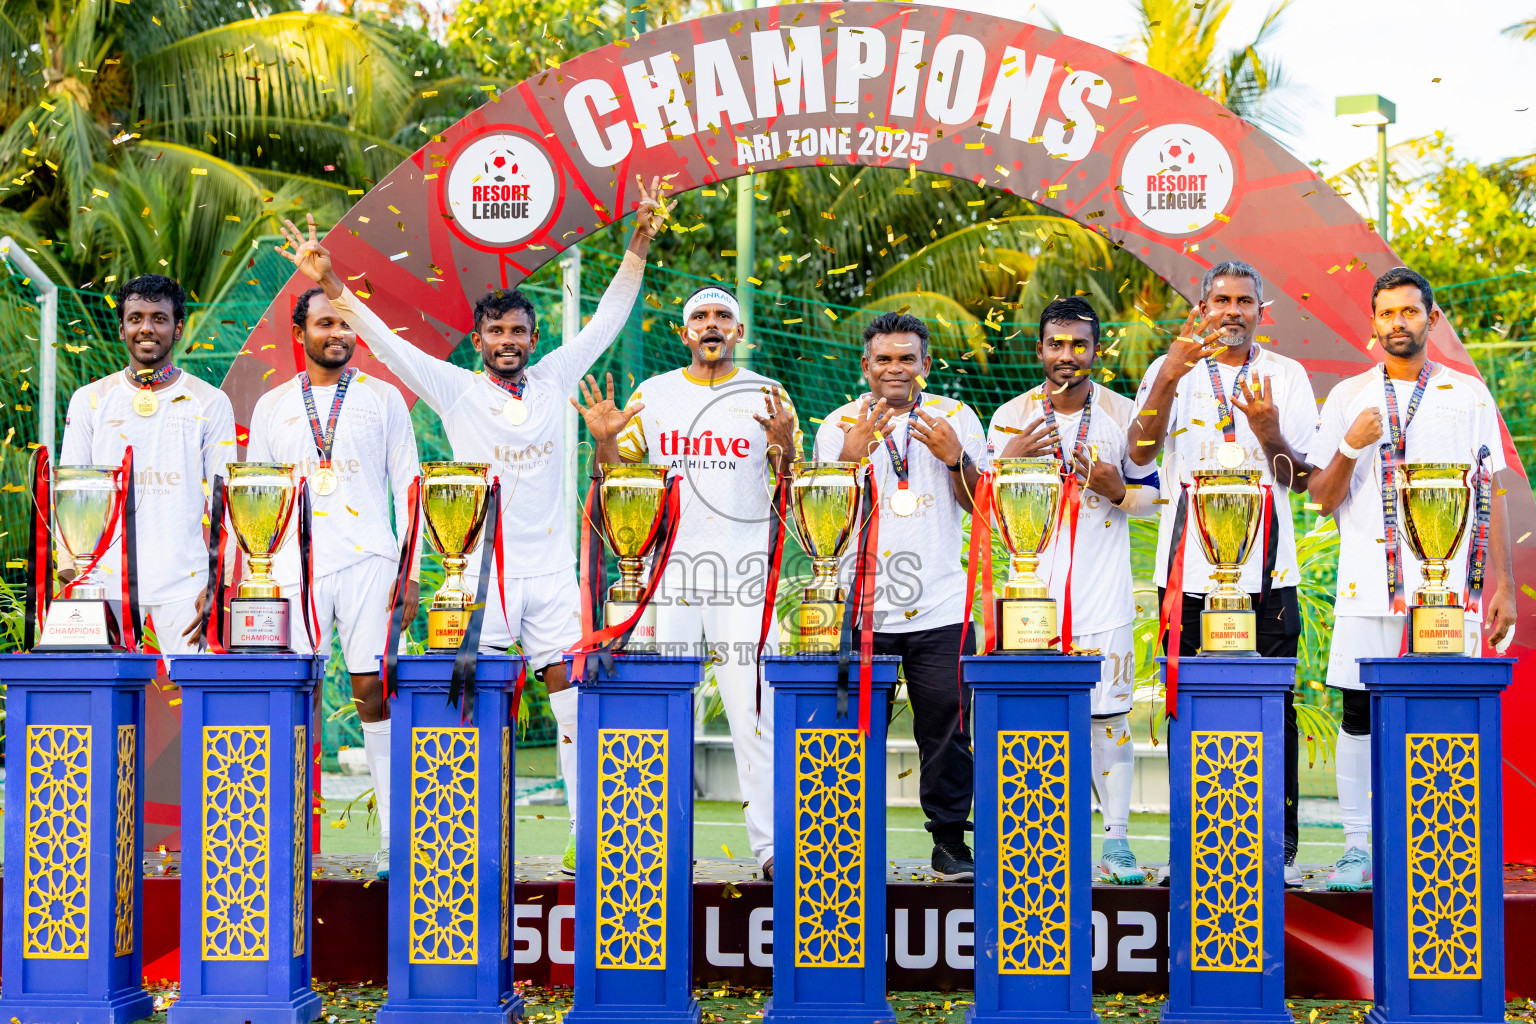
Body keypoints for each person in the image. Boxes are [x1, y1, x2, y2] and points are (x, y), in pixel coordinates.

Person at [275, 178, 671, 873]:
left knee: (573, 707)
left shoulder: (554, 378)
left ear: (533, 337)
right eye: (496, 332)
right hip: (478, 582)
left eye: (519, 332)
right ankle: (465, 844)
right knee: (473, 712)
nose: (508, 341)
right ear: (480, 341)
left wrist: (638, 239)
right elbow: (382, 340)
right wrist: (332, 280)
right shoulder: (454, 387)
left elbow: (608, 318)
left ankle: (590, 842)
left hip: (552, 578)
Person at [576, 284, 800, 880]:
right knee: (657, 713)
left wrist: (786, 451)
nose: (711, 324)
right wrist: (604, 442)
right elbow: (619, 485)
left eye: (723, 315)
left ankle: (774, 847)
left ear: (739, 332)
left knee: (757, 711)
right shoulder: (653, 395)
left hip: (742, 577)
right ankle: (647, 846)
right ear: (683, 333)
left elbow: (793, 485)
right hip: (664, 576)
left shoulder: (768, 395)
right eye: (699, 316)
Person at [1304, 266, 1515, 891]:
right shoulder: (1347, 396)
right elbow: (1320, 496)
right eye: (1388, 313)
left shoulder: (1469, 393)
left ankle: (1440, 852)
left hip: (1448, 590)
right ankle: (1354, 847)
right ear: (1373, 324)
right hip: (1367, 582)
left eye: (1410, 312)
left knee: (1443, 712)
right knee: (1358, 713)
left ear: (1432, 319)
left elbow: (1491, 489)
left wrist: (1502, 584)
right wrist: (1351, 443)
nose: (1399, 322)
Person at [1128, 260, 1316, 887]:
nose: (1232, 311)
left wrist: (1267, 431)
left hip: (1268, 571)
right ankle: (1194, 845)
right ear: (1202, 307)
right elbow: (1137, 457)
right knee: (1189, 706)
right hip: (1188, 572)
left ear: (1262, 310)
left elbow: (1299, 480)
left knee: (1275, 708)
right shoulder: (1170, 368)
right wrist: (1166, 380)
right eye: (1220, 300)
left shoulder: (1286, 376)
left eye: (1244, 301)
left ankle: (1280, 850)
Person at [245, 286, 422, 880]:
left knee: (374, 689)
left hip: (371, 560)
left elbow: (410, 486)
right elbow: (259, 497)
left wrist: (411, 570)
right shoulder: (272, 406)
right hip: (294, 566)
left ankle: (399, 840)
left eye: (345, 323)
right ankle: (284, 836)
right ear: (301, 334)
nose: (337, 333)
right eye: (325, 323)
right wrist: (255, 578)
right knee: (297, 693)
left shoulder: (385, 399)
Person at [987, 296, 1159, 885]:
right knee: (1031, 722)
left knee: (1108, 719)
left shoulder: (1123, 413)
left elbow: (1152, 500)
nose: (1067, 356)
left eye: (1079, 345)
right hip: (1031, 600)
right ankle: (1036, 846)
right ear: (1039, 349)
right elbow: (986, 512)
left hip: (1101, 594)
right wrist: (1006, 462)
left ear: (1095, 350)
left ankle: (1116, 842)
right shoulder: (1010, 417)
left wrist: (1115, 489)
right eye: (1056, 344)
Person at [814, 311, 987, 882]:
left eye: (906, 358)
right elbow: (824, 520)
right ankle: (843, 843)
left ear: (926, 364)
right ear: (866, 366)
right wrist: (849, 456)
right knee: (852, 726)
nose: (896, 369)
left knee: (947, 726)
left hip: (940, 602)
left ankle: (949, 843)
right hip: (863, 603)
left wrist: (955, 457)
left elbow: (980, 507)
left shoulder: (957, 418)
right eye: (884, 359)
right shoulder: (839, 423)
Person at [59, 273, 235, 653]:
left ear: (179, 327)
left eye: (159, 318)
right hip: (103, 581)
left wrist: (217, 582)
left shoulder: (210, 401)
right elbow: (71, 492)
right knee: (104, 701)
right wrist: (71, 574)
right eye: (136, 318)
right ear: (121, 328)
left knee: (201, 696)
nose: (146, 328)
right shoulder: (90, 399)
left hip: (186, 582)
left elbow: (226, 500)